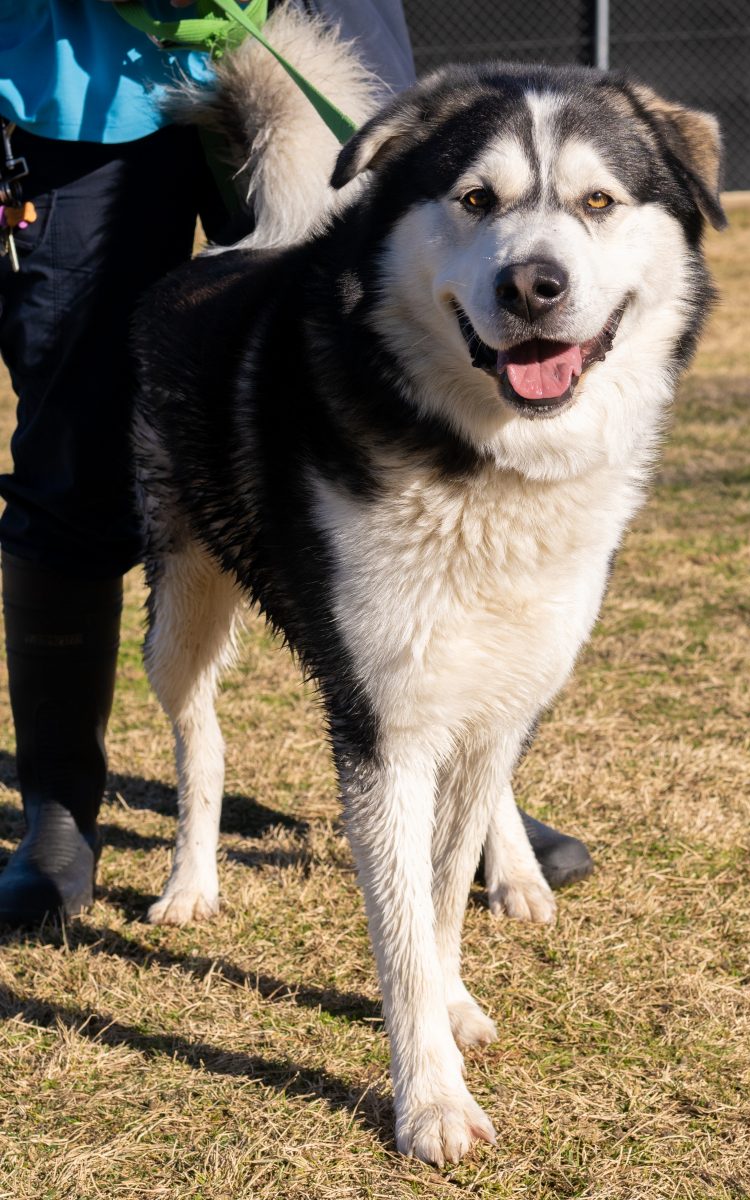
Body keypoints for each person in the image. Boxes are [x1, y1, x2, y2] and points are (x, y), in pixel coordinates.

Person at [0, 0, 591, 927]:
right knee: (71, 447)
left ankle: (472, 797)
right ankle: (58, 811)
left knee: (422, 420)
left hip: (313, 21)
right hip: (79, 71)